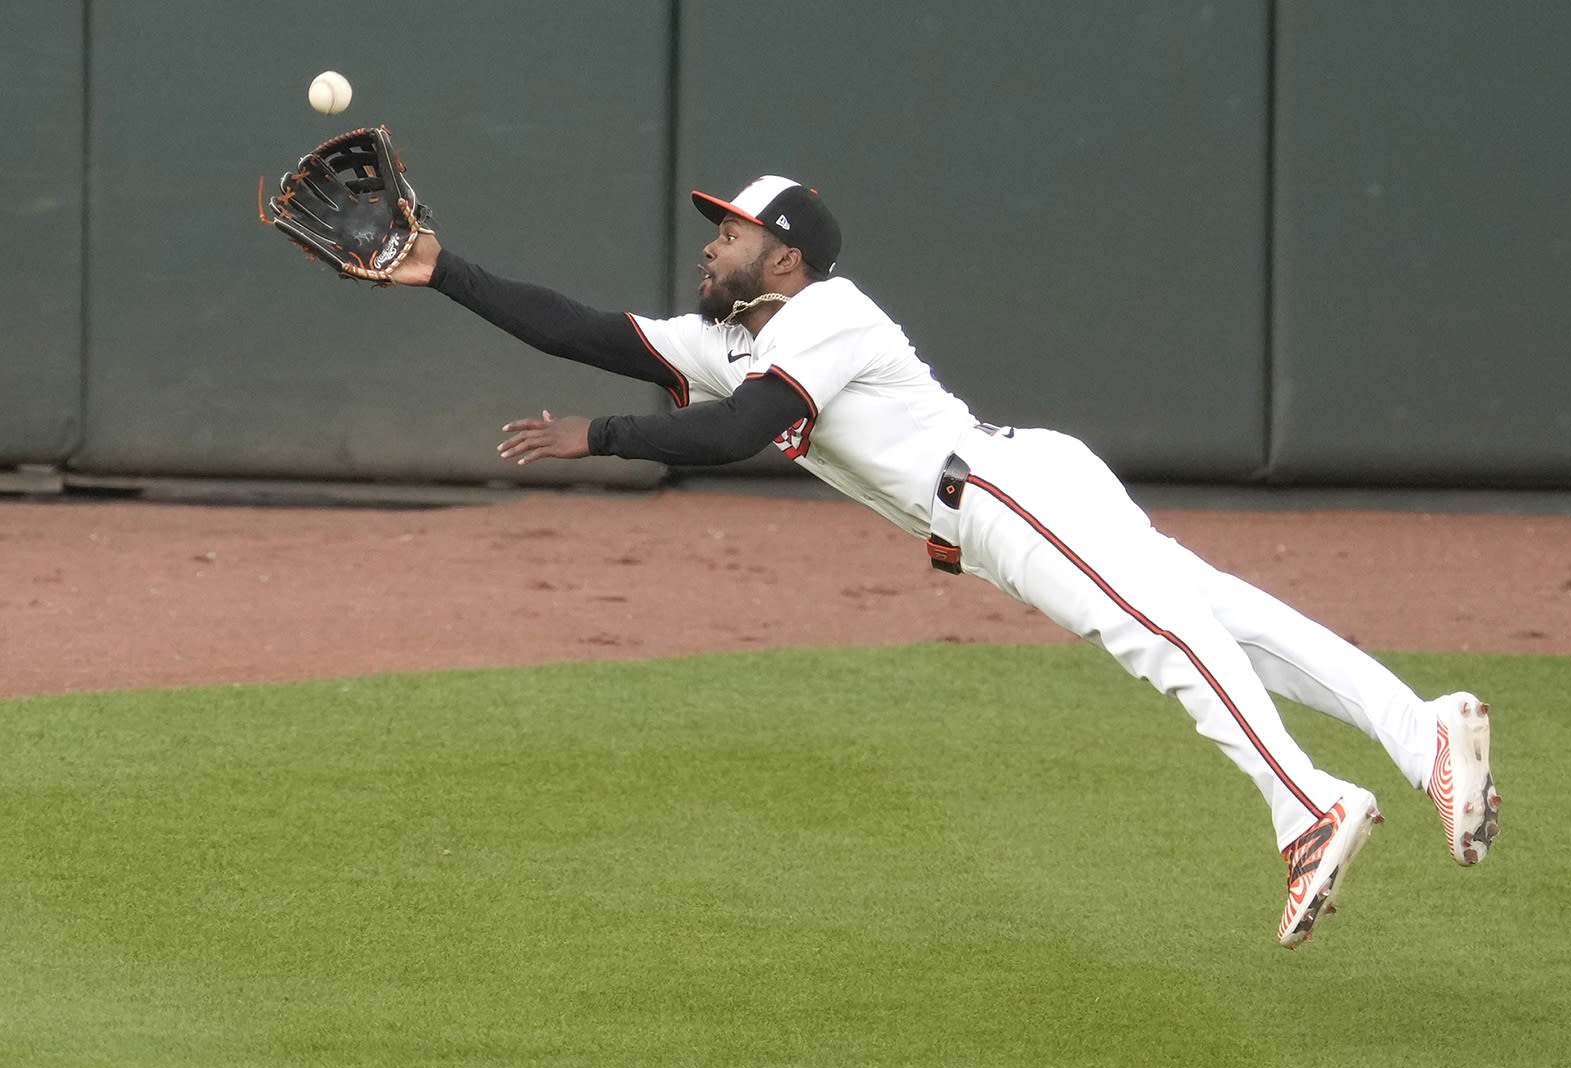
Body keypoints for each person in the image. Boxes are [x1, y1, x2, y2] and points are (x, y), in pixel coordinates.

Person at [387, 175, 1500, 948]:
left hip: (1003, 495)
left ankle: (1308, 805)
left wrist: (599, 436)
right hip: (1013, 491)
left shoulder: (827, 313)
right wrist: (443, 270)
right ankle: (1423, 732)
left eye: (730, 230)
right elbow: (582, 329)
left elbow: (734, 435)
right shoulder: (735, 339)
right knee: (1221, 617)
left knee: (1167, 637)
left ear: (786, 255)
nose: (711, 243)